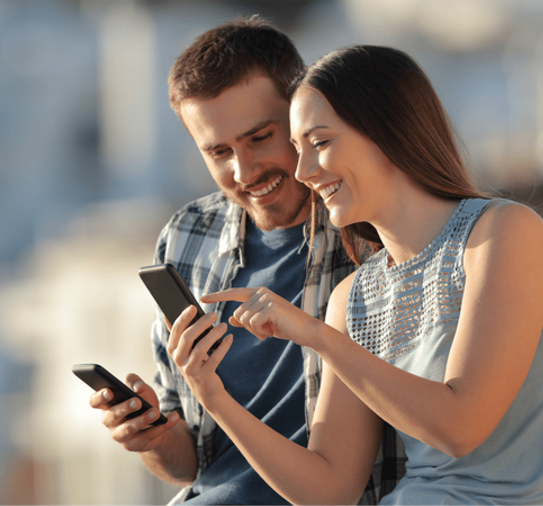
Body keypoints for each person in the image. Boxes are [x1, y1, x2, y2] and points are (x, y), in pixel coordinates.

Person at [168, 45, 543, 504]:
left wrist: (318, 336)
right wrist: (214, 397)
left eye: (321, 143)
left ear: (386, 131)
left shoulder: (503, 233)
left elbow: (460, 425)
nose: (304, 171)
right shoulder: (354, 295)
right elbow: (328, 490)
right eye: (297, 149)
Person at [88, 20, 405, 505]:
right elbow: (189, 462)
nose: (244, 171)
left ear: (302, 114)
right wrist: (152, 437)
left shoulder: (368, 227)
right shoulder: (187, 237)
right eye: (218, 152)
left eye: (260, 137)